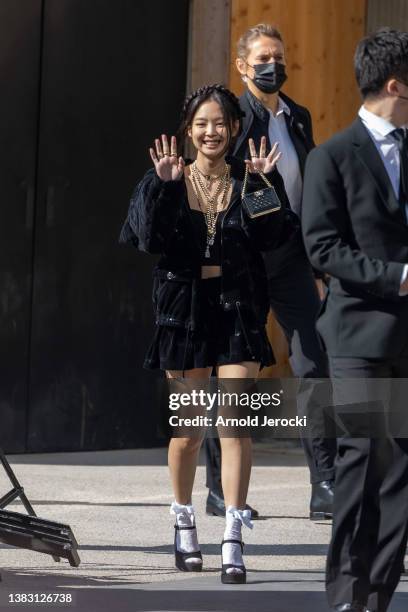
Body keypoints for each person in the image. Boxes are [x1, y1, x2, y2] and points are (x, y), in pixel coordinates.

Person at [120, 84, 290, 583]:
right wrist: (164, 185)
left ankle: (234, 534)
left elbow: (275, 238)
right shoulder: (166, 177)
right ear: (188, 130)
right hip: (185, 312)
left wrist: (264, 185)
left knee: (234, 424)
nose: (211, 132)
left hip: (238, 308)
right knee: (190, 432)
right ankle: (183, 519)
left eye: (220, 123)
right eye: (202, 124)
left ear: (235, 129)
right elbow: (148, 240)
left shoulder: (251, 179)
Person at [205, 23, 336, 522]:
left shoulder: (298, 116)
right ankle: (219, 488)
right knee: (238, 372)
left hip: (295, 259)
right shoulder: (231, 119)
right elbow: (227, 183)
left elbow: (311, 185)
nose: (272, 65)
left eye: (278, 56)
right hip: (246, 260)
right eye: (263, 57)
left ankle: (324, 483)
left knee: (312, 362)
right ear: (242, 66)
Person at [302, 28, 408, 612]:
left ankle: (378, 594)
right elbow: (322, 247)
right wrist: (397, 276)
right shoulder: (333, 155)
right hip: (358, 334)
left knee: (403, 474)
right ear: (395, 84)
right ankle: (346, 595)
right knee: (363, 460)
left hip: (407, 337)